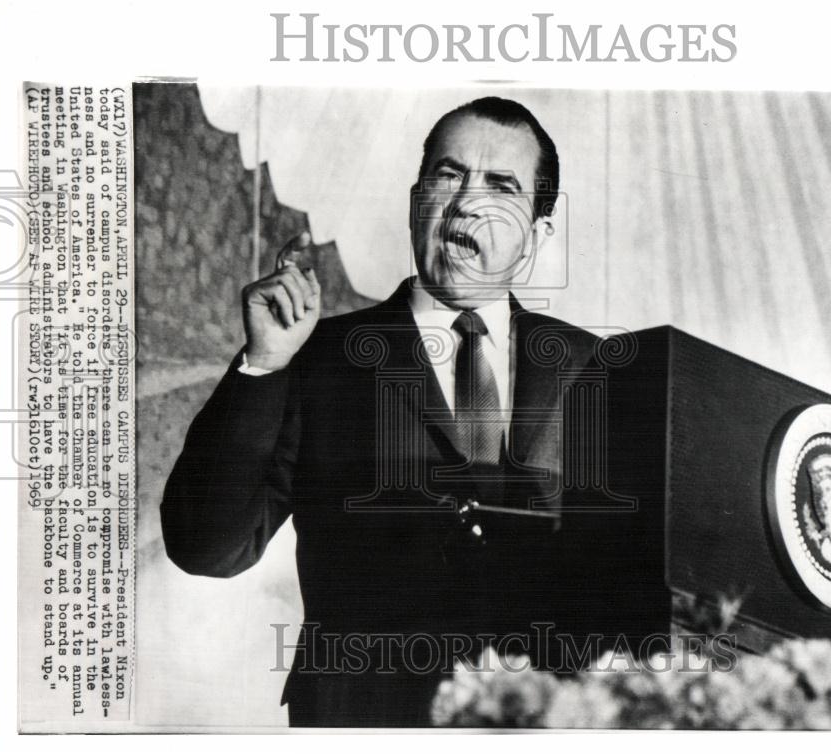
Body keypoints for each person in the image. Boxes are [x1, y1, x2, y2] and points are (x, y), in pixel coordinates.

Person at [161, 96, 620, 727]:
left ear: (537, 233)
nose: (465, 204)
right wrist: (263, 366)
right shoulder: (314, 358)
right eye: (447, 175)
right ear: (416, 200)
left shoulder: (596, 371)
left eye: (501, 186)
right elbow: (207, 548)